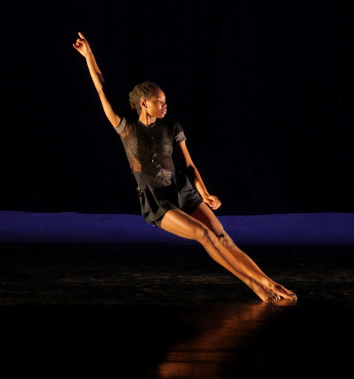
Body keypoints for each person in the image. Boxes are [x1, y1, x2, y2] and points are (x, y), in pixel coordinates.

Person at [72, 32, 296, 303]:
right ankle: (257, 285)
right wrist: (89, 56)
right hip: (157, 200)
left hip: (182, 189)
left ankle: (268, 282)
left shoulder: (172, 127)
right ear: (144, 103)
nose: (165, 106)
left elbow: (188, 165)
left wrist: (204, 192)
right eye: (159, 102)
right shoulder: (126, 128)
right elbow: (102, 89)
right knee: (204, 235)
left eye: (165, 102)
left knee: (223, 237)